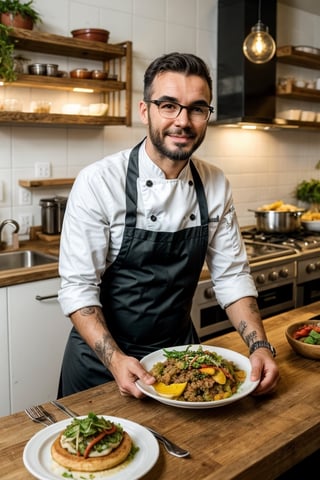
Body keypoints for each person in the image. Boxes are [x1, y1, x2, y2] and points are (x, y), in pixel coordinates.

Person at [57, 52, 280, 399]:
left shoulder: (215, 183)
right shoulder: (99, 181)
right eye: (169, 105)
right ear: (145, 111)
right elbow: (78, 289)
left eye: (197, 108)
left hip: (180, 357)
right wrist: (116, 360)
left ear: (207, 116)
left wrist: (260, 346)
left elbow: (233, 276)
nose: (183, 121)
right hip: (101, 365)